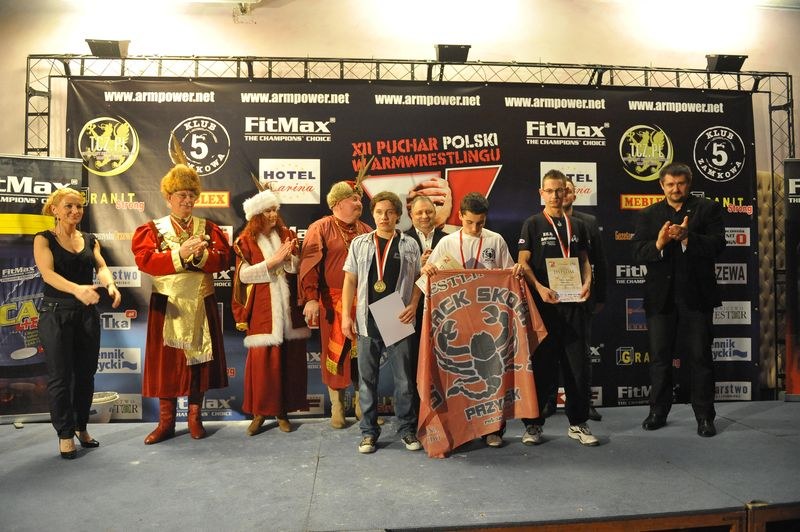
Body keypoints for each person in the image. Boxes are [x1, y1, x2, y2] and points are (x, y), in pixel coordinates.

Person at [131, 164, 230, 444]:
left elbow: (225, 259)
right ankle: (166, 423)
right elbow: (145, 261)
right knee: (167, 365)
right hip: (168, 305)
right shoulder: (152, 229)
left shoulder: (208, 228)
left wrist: (200, 257)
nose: (187, 200)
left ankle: (195, 419)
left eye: (191, 195)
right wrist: (180, 253)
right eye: (181, 195)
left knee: (199, 361)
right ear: (168, 198)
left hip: (201, 301)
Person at [632, 162, 726, 437]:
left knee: (700, 357)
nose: (676, 189)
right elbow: (637, 252)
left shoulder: (707, 209)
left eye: (681, 183)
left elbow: (719, 245)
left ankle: (705, 417)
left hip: (697, 297)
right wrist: (659, 243)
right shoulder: (648, 214)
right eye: (670, 184)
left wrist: (687, 237)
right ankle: (657, 412)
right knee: (660, 359)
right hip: (660, 299)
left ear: (689, 183)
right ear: (661, 185)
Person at [421, 191, 521, 448]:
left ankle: (494, 430)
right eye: (469, 222)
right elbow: (427, 280)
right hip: (457, 320)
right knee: (454, 376)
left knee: (496, 371)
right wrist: (427, 268)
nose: (475, 228)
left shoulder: (495, 240)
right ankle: (459, 428)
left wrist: (515, 271)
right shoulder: (447, 243)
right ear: (460, 216)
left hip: (487, 321)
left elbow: (508, 275)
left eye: (480, 223)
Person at [34, 188, 122, 459]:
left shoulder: (90, 239)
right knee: (60, 377)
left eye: (79, 206)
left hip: (85, 315)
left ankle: (81, 427)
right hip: (55, 314)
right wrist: (77, 289)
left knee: (85, 375)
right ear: (55, 210)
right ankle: (64, 434)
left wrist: (110, 285)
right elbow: (47, 274)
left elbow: (101, 267)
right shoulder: (43, 239)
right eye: (69, 206)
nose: (75, 211)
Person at [517, 169, 598, 447]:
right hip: (544, 308)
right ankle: (533, 424)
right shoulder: (532, 224)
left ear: (567, 192)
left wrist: (587, 282)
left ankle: (578, 423)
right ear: (541, 193)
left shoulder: (579, 225)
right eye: (549, 191)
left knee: (578, 368)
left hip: (574, 307)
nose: (554, 195)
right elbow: (523, 263)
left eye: (559, 190)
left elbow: (585, 260)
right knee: (542, 367)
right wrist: (540, 288)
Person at [340, 191, 422, 454]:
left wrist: (413, 305)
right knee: (367, 380)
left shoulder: (409, 244)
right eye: (378, 212)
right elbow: (350, 280)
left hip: (396, 314)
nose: (384, 217)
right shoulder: (360, 243)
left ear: (398, 215)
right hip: (367, 317)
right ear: (372, 214)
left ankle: (407, 430)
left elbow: (419, 279)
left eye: (389, 212)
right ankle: (368, 433)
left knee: (404, 381)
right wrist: (345, 316)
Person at [232, 188, 310, 436]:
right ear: (256, 215)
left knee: (286, 363)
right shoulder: (245, 241)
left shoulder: (287, 235)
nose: (273, 214)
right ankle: (259, 413)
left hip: (288, 312)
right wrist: (272, 262)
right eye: (268, 210)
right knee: (263, 365)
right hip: (263, 312)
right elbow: (243, 276)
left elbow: (298, 269)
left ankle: (282, 413)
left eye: (275, 209)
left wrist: (288, 260)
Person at [298, 180, 372, 428]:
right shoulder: (320, 228)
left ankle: (362, 407)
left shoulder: (366, 229)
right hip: (332, 303)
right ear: (338, 203)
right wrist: (310, 298)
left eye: (360, 199)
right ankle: (337, 407)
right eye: (354, 199)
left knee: (363, 355)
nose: (359, 203)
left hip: (363, 303)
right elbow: (309, 265)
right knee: (336, 354)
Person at [540, 178, 607, 421]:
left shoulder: (586, 222)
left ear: (573, 195)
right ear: (546, 193)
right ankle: (548, 401)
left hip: (579, 299)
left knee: (581, 358)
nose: (561, 195)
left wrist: (600, 295)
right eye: (557, 190)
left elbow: (597, 260)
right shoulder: (538, 223)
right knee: (548, 355)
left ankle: (584, 404)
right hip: (550, 301)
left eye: (566, 190)